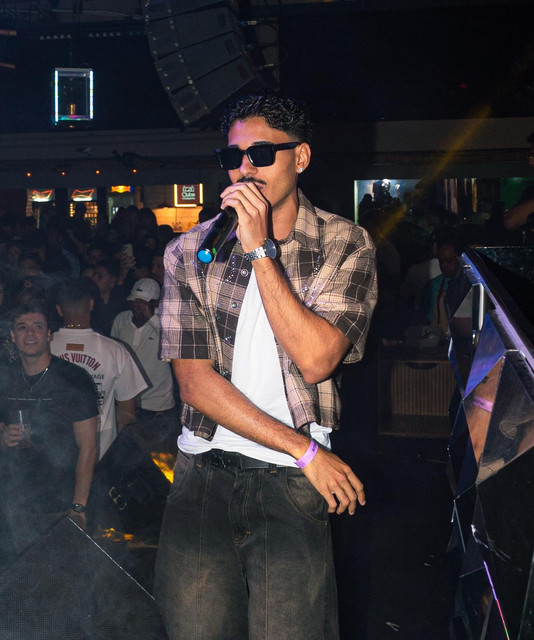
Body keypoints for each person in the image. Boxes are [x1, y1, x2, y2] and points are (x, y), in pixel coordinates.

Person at [154, 94, 377, 640]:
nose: (244, 169)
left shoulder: (343, 244)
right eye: (233, 157)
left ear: (300, 157)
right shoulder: (190, 251)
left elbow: (317, 360)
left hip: (290, 485)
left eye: (259, 153)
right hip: (204, 473)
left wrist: (261, 252)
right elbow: (194, 383)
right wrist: (304, 449)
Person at [0, 302, 98, 557]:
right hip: (17, 502)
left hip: (61, 502)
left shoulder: (73, 379)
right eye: (22, 327)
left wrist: (79, 506)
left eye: (37, 326)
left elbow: (88, 447)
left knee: (61, 570)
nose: (30, 333)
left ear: (49, 334)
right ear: (13, 336)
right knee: (24, 571)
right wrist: (3, 437)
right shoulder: (5, 378)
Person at [51, 278, 148, 459]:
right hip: (102, 455)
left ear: (59, 309)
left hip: (55, 454)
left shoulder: (44, 347)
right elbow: (127, 415)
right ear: (91, 304)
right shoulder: (115, 351)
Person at [111, 278, 178, 451]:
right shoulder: (121, 319)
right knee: (129, 454)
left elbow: (174, 349)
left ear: (154, 304)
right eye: (135, 302)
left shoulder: (165, 322)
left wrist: (151, 318)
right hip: (127, 403)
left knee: (158, 456)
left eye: (142, 304)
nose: (137, 307)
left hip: (158, 406)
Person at [503, 131, 534, 231]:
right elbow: (510, 222)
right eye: (530, 156)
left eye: (533, 156)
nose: (531, 162)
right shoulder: (531, 192)